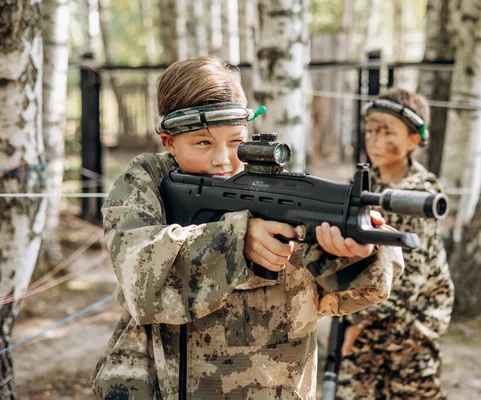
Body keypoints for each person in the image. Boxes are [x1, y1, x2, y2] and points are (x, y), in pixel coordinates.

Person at [91, 56, 404, 400]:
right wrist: (237, 241)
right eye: (203, 143)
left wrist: (360, 256)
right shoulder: (147, 182)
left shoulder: (276, 193)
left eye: (236, 141)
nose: (223, 159)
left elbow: (349, 294)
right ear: (169, 142)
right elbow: (138, 269)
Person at [336, 88, 455, 399]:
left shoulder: (419, 197)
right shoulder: (366, 183)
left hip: (410, 328)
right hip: (370, 315)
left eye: (387, 131)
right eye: (371, 130)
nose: (374, 140)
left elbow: (408, 279)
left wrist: (356, 324)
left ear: (414, 140)